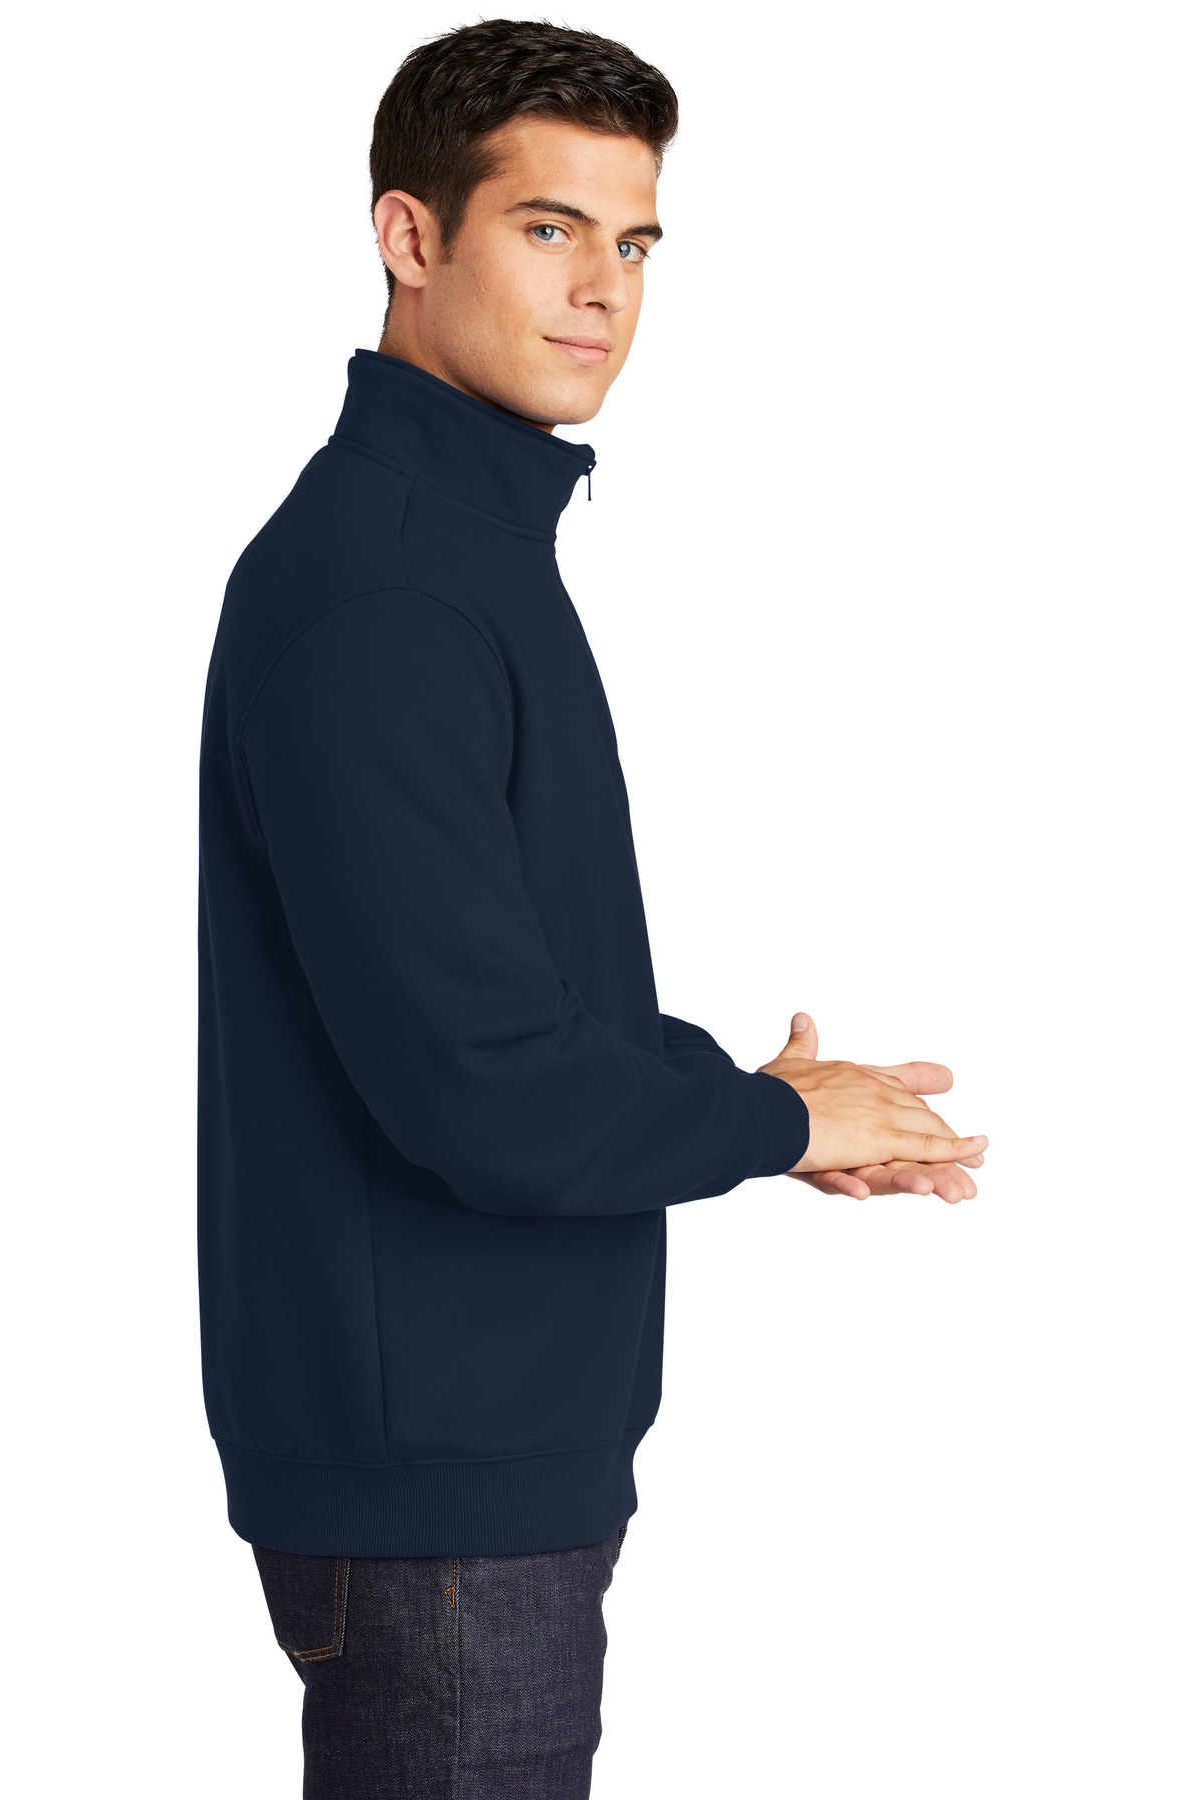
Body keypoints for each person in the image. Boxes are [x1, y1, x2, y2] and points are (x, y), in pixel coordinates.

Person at [197, 18, 988, 1797]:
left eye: (633, 241)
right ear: (410, 235)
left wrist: (741, 1099)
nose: (603, 290)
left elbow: (493, 993)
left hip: (479, 1463)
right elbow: (481, 1085)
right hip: (442, 1494)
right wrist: (774, 1126)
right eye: (548, 227)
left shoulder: (459, 551)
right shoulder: (392, 589)